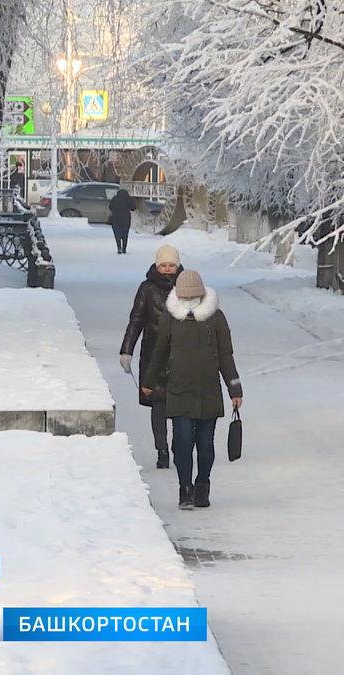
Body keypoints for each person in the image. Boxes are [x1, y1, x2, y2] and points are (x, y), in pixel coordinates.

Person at [142, 270, 243, 510]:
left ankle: (202, 485)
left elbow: (226, 356)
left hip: (209, 391)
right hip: (179, 390)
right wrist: (148, 381)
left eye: (193, 297)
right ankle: (184, 489)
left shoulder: (216, 319)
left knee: (205, 445)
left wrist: (235, 390)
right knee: (183, 442)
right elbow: (160, 352)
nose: (189, 302)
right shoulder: (170, 318)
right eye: (184, 297)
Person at [120, 245, 183, 470]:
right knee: (158, 403)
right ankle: (162, 450)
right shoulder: (147, 288)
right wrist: (127, 349)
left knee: (179, 405)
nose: (167, 270)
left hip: (181, 354)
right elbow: (136, 319)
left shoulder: (186, 287)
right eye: (163, 265)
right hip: (154, 352)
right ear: (157, 266)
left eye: (171, 265)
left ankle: (179, 447)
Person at [108, 188, 134, 254]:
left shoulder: (115, 198)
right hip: (126, 218)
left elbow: (110, 207)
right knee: (125, 234)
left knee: (117, 234)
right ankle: (124, 249)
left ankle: (119, 248)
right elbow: (133, 208)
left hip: (116, 218)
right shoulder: (128, 199)